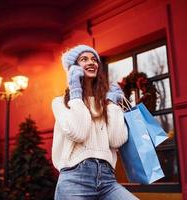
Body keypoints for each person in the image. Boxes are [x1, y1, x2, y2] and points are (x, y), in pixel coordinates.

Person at [51, 44, 139, 200]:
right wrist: (75, 91)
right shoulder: (60, 103)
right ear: (73, 68)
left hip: (107, 180)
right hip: (74, 179)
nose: (91, 62)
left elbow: (116, 139)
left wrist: (112, 104)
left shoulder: (105, 104)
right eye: (84, 59)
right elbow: (78, 132)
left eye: (94, 59)